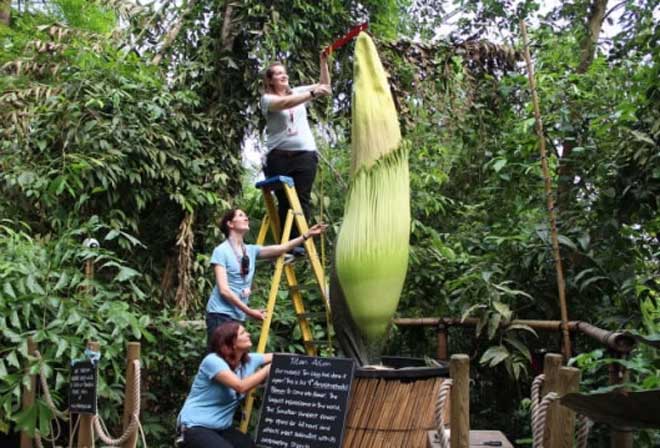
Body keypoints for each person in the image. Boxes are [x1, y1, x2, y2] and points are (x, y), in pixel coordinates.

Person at [206, 208, 327, 348]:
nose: (246, 218)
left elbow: (282, 248)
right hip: (219, 314)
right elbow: (224, 290)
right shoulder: (221, 251)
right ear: (230, 224)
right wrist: (250, 311)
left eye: (246, 215)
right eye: (240, 215)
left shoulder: (250, 250)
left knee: (232, 359)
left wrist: (307, 235)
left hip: (237, 316)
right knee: (218, 359)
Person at [260, 51, 331, 241]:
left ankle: (300, 245)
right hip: (279, 157)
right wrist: (312, 93)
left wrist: (323, 62)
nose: (284, 76)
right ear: (270, 81)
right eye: (278, 74)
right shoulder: (267, 100)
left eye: (285, 73)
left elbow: (324, 86)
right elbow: (284, 104)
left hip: (305, 155)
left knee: (302, 199)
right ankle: (287, 244)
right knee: (285, 201)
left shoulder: (299, 92)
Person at [178, 322, 272, 448]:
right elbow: (240, 386)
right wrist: (266, 370)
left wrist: (301, 362)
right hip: (195, 426)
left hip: (221, 429)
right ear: (231, 342)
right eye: (243, 333)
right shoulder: (213, 361)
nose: (248, 334)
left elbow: (280, 358)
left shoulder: (250, 360)